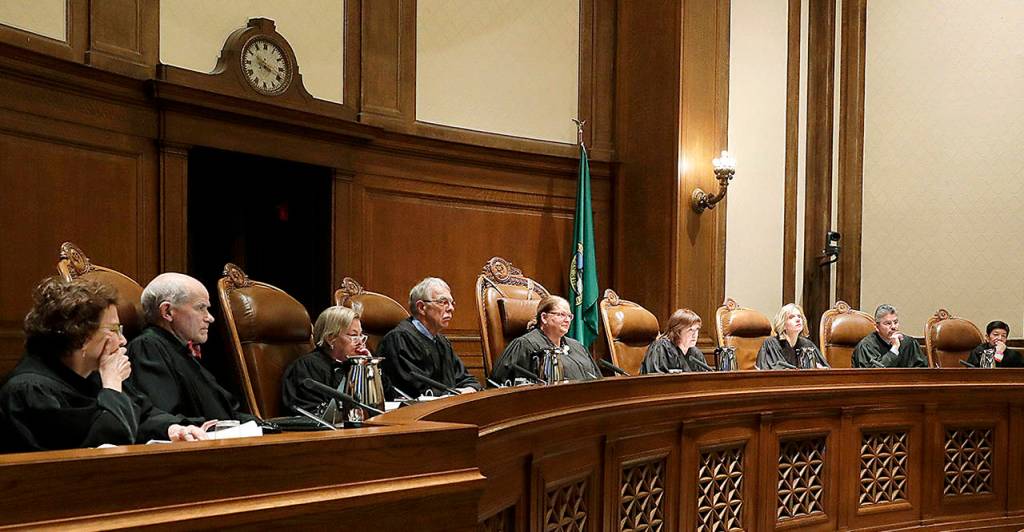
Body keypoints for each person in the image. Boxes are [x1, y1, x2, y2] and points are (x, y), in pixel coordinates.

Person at [0, 277, 208, 452]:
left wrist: (171, 429)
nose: (123, 341)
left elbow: (143, 414)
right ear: (80, 335)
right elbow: (103, 447)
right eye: (113, 330)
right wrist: (112, 386)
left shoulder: (94, 372)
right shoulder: (30, 391)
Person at [127, 273, 254, 423]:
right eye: (201, 308)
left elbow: (228, 413)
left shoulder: (180, 350)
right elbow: (167, 418)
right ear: (167, 311)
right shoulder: (147, 348)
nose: (210, 318)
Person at [378, 277, 481, 396]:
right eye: (443, 302)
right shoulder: (398, 340)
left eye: (451, 303)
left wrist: (470, 389)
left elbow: (466, 379)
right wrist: (454, 394)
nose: (451, 308)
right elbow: (415, 390)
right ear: (421, 307)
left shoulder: (442, 342)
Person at [282, 305, 393, 414]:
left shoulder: (356, 364)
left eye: (361, 335)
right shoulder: (307, 367)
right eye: (354, 336)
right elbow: (311, 414)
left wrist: (370, 367)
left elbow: (388, 398)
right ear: (330, 339)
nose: (361, 342)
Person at [491, 295, 602, 382]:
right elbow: (498, 382)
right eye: (561, 315)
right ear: (544, 317)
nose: (567, 320)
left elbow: (597, 378)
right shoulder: (525, 345)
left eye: (569, 316)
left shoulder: (577, 346)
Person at [756, 303, 829, 370]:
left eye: (799, 316)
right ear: (783, 324)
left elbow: (825, 370)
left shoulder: (807, 345)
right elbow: (773, 371)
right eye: (791, 317)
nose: (798, 320)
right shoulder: (771, 344)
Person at [852, 304, 928, 368]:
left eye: (895, 322)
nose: (893, 327)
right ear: (876, 327)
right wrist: (894, 348)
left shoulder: (909, 343)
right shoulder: (866, 346)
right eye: (888, 323)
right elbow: (874, 376)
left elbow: (922, 371)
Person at [640, 308, 713, 374]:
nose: (695, 335)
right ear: (677, 331)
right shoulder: (660, 347)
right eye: (690, 330)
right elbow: (656, 380)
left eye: (696, 329)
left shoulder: (696, 353)